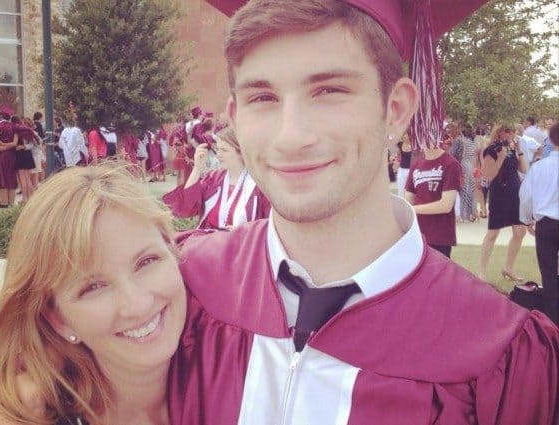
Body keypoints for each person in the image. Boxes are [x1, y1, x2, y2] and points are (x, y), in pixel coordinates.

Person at [169, 1, 558, 424]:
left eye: (329, 90)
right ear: (235, 118)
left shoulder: (500, 351)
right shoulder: (185, 287)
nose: (291, 136)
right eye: (262, 97)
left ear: (395, 110)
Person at [0, 163, 186, 424]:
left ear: (172, 250)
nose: (136, 305)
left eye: (146, 261)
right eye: (93, 287)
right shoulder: (26, 415)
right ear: (57, 318)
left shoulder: (233, 355)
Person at [163, 127, 270, 229]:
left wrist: (244, 231)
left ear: (241, 152)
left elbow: (271, 224)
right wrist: (197, 168)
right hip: (209, 241)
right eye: (217, 149)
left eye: (224, 150)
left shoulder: (258, 185)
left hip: (243, 244)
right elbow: (187, 206)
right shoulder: (213, 179)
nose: (218, 154)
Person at [478, 123, 529, 282]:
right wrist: (500, 157)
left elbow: (524, 169)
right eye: (507, 131)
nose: (511, 134)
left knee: (520, 232)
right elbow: (487, 176)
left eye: (513, 131)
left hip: (515, 192)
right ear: (499, 133)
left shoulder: (513, 149)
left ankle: (508, 267)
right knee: (493, 233)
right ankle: (482, 271)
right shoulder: (491, 150)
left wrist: (519, 150)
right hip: (499, 194)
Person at [519, 122, 559, 326]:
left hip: (546, 224)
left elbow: (526, 195)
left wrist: (526, 219)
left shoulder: (539, 167)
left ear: (550, 140)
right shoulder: (540, 166)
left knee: (549, 273)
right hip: (548, 221)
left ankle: (553, 321)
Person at [405, 142, 461, 257]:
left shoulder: (451, 164)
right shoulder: (416, 165)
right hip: (417, 236)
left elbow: (446, 205)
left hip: (439, 236)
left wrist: (412, 209)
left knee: (439, 274)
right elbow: (408, 199)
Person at [13, 116, 37, 203]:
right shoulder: (28, 131)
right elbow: (33, 144)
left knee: (22, 178)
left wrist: (21, 146)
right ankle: (31, 197)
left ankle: (25, 198)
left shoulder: (16, 132)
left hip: (20, 155)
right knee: (27, 178)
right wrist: (25, 146)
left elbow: (15, 144)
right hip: (28, 155)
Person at [394, 134, 411, 198]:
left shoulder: (414, 145)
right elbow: (398, 155)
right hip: (401, 170)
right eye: (404, 135)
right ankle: (401, 203)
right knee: (400, 188)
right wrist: (396, 161)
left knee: (409, 190)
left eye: (407, 135)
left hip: (411, 169)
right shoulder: (400, 144)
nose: (405, 136)